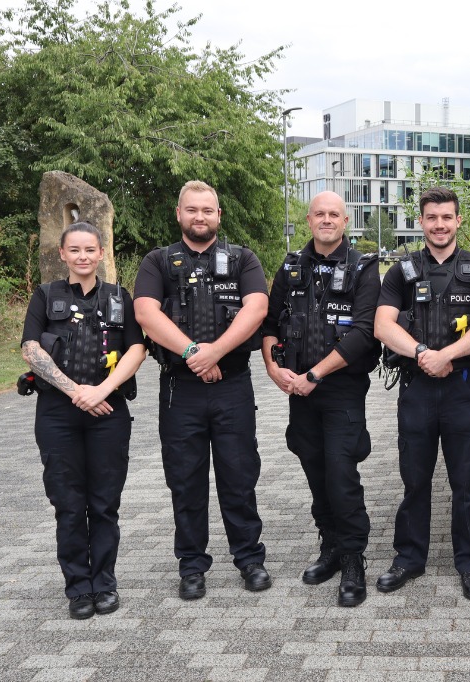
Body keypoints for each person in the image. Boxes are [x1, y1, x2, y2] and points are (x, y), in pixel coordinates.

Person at [134, 180, 271, 601]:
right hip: (182, 390)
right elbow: (145, 313)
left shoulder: (243, 258)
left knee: (239, 476)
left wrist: (216, 353)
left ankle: (249, 559)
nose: (200, 217)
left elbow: (257, 308)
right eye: (192, 210)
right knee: (186, 481)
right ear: (179, 214)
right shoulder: (157, 262)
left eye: (207, 210)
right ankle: (192, 565)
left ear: (218, 216)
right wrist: (195, 353)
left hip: (232, 386)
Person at [374, 187, 470, 600]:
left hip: (463, 389)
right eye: (432, 218)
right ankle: (409, 558)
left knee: (467, 482)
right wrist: (423, 353)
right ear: (421, 221)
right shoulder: (401, 270)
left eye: (447, 217)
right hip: (417, 389)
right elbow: (383, 325)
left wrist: (448, 354)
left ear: (458, 220)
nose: (440, 225)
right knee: (415, 480)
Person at [21, 221, 146, 619]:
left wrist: (102, 390)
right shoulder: (45, 296)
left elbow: (137, 350)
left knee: (105, 503)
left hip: (108, 411)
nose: (83, 257)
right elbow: (30, 349)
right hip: (59, 413)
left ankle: (104, 584)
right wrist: (77, 391)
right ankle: (78, 589)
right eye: (74, 250)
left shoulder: (119, 297)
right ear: (63, 254)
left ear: (101, 252)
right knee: (69, 505)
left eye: (90, 249)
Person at [262, 191, 381, 607]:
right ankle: (329, 548)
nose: (327, 220)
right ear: (309, 220)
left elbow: (364, 331)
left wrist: (315, 374)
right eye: (320, 214)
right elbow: (270, 324)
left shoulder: (364, 267)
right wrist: (274, 369)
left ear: (345, 221)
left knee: (341, 476)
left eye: (334, 214)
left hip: (341, 390)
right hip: (299, 391)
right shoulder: (291, 266)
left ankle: (353, 559)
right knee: (315, 472)